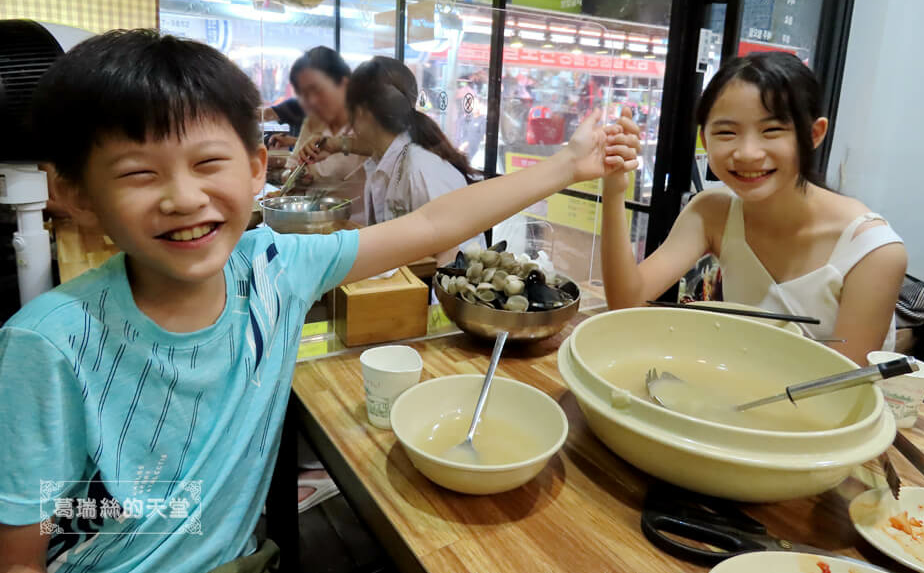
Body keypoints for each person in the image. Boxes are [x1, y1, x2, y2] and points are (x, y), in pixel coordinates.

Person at [0, 30, 639, 573]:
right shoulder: (49, 342)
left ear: (255, 171)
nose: (183, 197)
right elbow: (21, 553)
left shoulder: (276, 268)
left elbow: (433, 227)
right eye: (139, 173)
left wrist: (565, 166)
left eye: (207, 163)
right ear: (77, 194)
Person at [600, 52, 906, 363]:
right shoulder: (712, 212)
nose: (747, 153)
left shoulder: (873, 251)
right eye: (727, 132)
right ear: (704, 139)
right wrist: (613, 191)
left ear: (813, 135)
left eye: (772, 130)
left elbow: (842, 389)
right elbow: (627, 302)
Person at [301, 57, 485, 265]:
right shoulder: (387, 156)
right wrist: (334, 145)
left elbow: (449, 258)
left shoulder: (419, 169)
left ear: (363, 113)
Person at [279, 47, 366, 221]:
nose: (310, 101)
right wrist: (297, 177)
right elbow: (287, 173)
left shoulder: (366, 122)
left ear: (344, 84)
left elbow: (385, 148)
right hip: (313, 223)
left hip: (358, 227)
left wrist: (338, 144)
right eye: (303, 94)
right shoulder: (312, 123)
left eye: (317, 90)